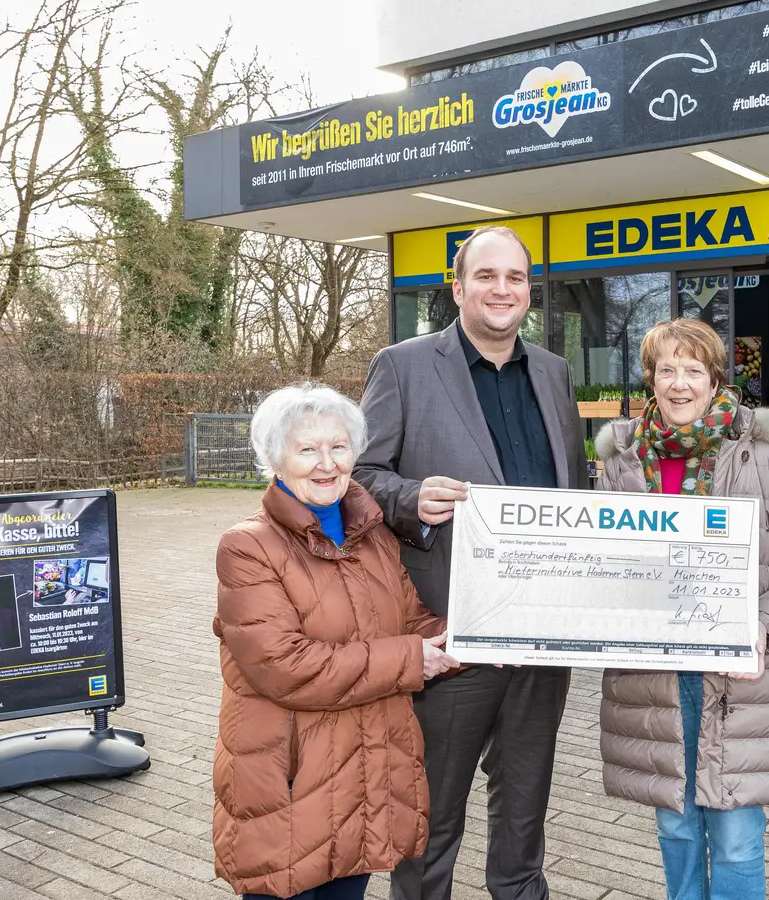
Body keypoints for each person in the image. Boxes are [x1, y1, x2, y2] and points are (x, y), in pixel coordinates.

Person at [354, 225, 588, 900]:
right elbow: (360, 473)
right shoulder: (401, 365)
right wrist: (407, 496)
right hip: (450, 630)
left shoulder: (552, 371)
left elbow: (570, 485)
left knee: (524, 807)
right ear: (457, 287)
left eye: (515, 278)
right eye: (486, 276)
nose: (502, 289)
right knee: (431, 812)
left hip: (544, 631)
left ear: (528, 292)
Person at [592, 317, 769, 900]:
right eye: (666, 369)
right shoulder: (621, 461)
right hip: (656, 678)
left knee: (737, 833)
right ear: (650, 377)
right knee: (675, 824)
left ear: (715, 377)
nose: (679, 383)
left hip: (741, 678)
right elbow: (600, 567)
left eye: (693, 369)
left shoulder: (761, 455)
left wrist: (758, 629)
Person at [213, 383, 460, 900]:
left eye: (339, 447)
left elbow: (411, 623)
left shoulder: (372, 534)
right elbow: (286, 666)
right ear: (274, 458)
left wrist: (483, 636)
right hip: (291, 782)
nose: (327, 463)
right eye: (307, 449)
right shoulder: (247, 546)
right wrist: (412, 658)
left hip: (366, 779)